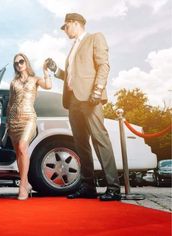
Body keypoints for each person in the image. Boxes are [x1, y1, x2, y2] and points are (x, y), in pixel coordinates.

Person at [46, 13, 121, 201]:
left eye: (66, 27)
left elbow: (104, 66)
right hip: (73, 100)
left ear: (75, 23)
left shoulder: (95, 38)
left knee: (100, 140)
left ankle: (113, 188)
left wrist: (97, 90)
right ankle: (88, 187)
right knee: (81, 144)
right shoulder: (72, 49)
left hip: (90, 99)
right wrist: (56, 70)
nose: (65, 31)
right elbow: (72, 77)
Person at [7, 53, 51, 200]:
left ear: (26, 62)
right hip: (14, 120)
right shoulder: (13, 83)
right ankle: (25, 184)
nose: (19, 64)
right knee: (19, 153)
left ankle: (23, 185)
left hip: (29, 118)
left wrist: (46, 72)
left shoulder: (36, 79)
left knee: (22, 146)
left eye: (21, 61)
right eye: (16, 63)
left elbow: (49, 86)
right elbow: (10, 103)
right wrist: (8, 122)